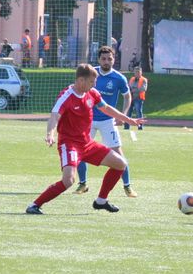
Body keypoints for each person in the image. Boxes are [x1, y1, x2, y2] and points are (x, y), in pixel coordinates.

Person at [25, 63, 143, 215]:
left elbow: (106, 108)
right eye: (92, 82)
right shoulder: (66, 96)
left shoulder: (92, 93)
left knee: (120, 163)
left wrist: (127, 119)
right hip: (70, 145)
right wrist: (50, 134)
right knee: (68, 181)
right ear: (81, 80)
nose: (94, 85)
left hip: (87, 144)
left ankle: (101, 201)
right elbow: (55, 115)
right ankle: (34, 205)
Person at [74, 46, 138, 198]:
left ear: (114, 59)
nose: (106, 61)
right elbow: (78, 91)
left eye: (110, 59)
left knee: (118, 154)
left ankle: (127, 186)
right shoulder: (91, 74)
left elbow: (127, 97)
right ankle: (82, 184)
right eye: (103, 59)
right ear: (98, 60)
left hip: (108, 121)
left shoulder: (119, 78)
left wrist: (122, 115)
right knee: (79, 152)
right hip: (88, 120)